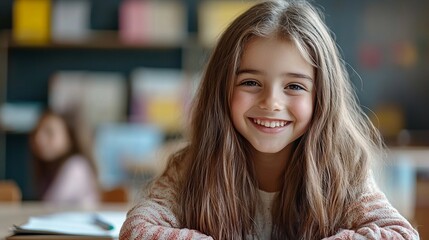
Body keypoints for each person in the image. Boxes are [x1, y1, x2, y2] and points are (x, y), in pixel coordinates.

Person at [120, 1, 419, 239]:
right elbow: (137, 229)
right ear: (220, 89)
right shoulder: (189, 167)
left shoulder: (344, 170)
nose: (271, 102)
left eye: (294, 86)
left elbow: (399, 234)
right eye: (250, 82)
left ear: (322, 98)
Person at [30, 110, 99, 206]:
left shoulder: (76, 166)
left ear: (70, 137)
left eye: (49, 132)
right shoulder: (51, 168)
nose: (38, 138)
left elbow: (50, 206)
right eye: (36, 131)